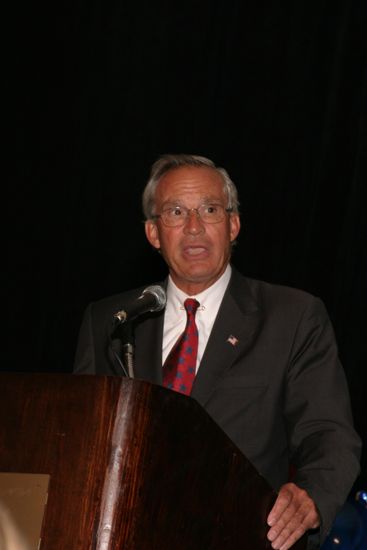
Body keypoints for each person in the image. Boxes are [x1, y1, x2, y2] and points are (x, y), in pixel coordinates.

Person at [74, 154, 361, 549]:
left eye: (209, 210)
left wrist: (310, 496)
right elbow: (81, 438)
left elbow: (329, 434)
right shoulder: (112, 321)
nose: (194, 228)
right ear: (154, 233)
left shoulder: (291, 317)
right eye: (176, 212)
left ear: (233, 224)